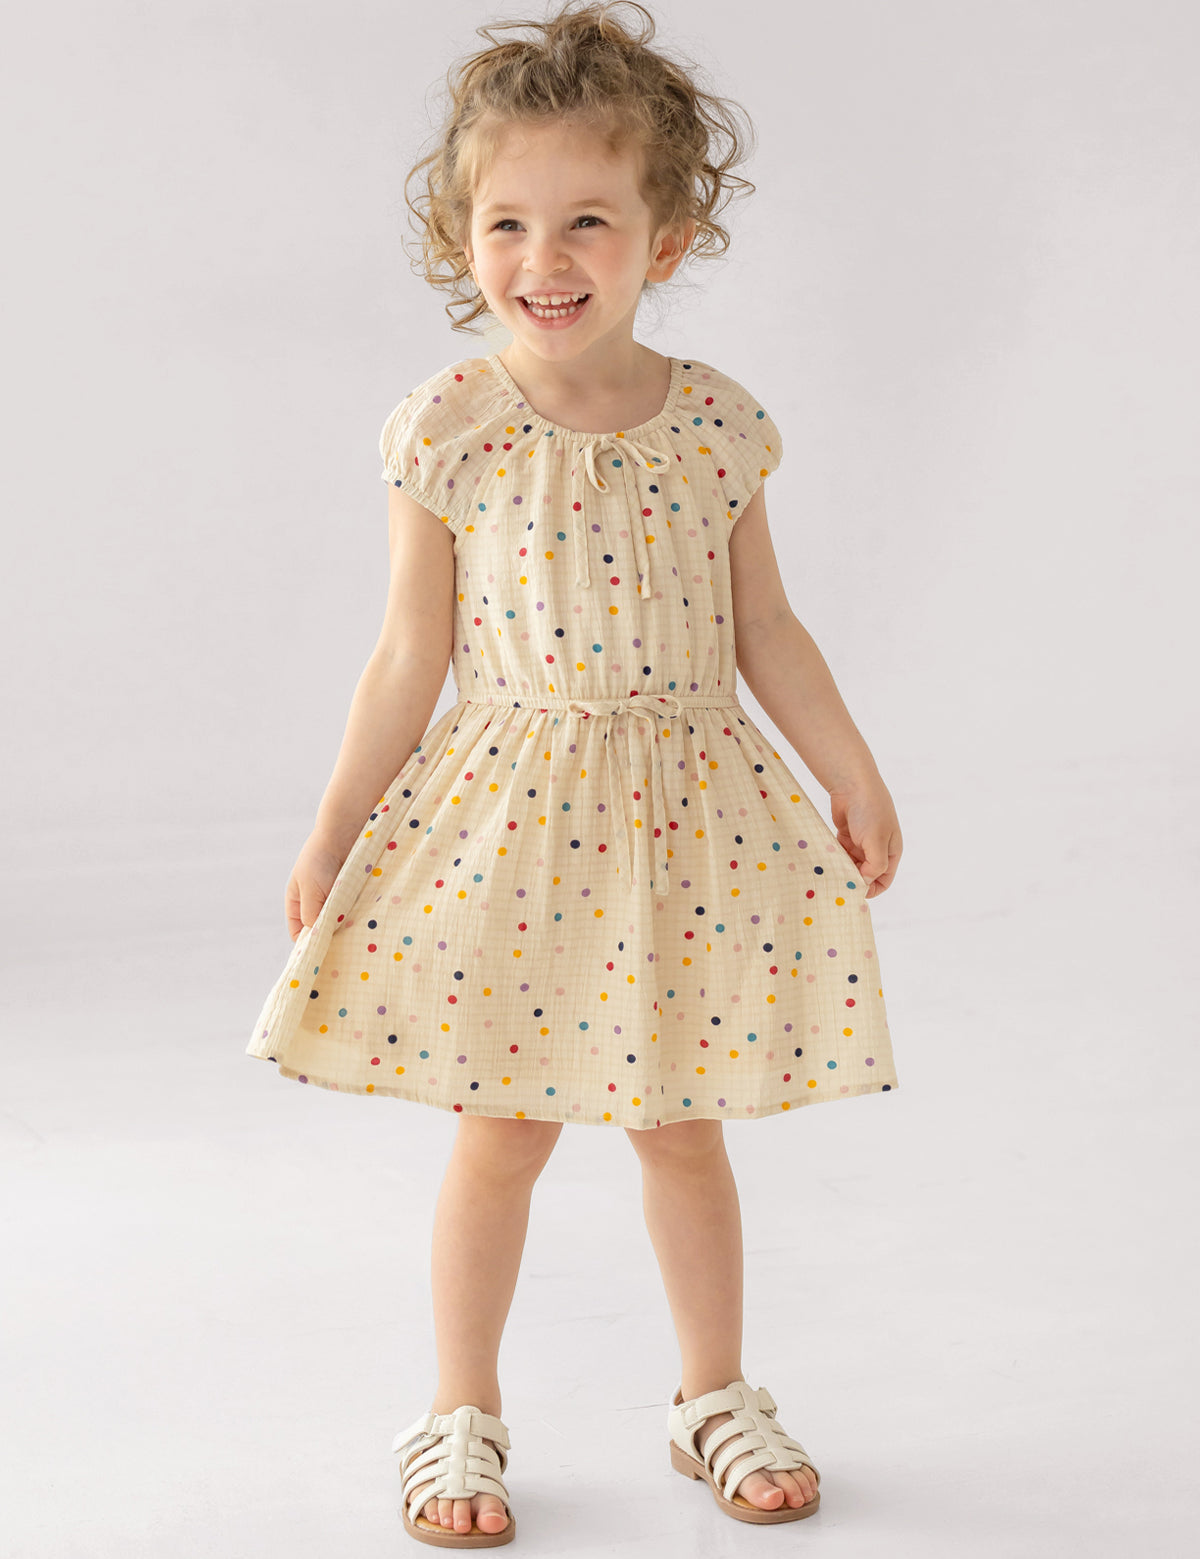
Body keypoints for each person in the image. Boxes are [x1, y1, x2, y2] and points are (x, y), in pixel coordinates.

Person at [245, 0, 902, 1546]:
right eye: (508, 221)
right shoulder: (451, 430)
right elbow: (406, 656)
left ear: (664, 240)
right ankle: (460, 1412)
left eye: (588, 219)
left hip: (688, 826)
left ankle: (711, 1394)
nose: (546, 256)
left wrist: (850, 768)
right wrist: (339, 823)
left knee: (683, 1124)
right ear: (461, 238)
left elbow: (769, 629)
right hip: (514, 824)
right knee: (504, 1129)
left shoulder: (719, 428)